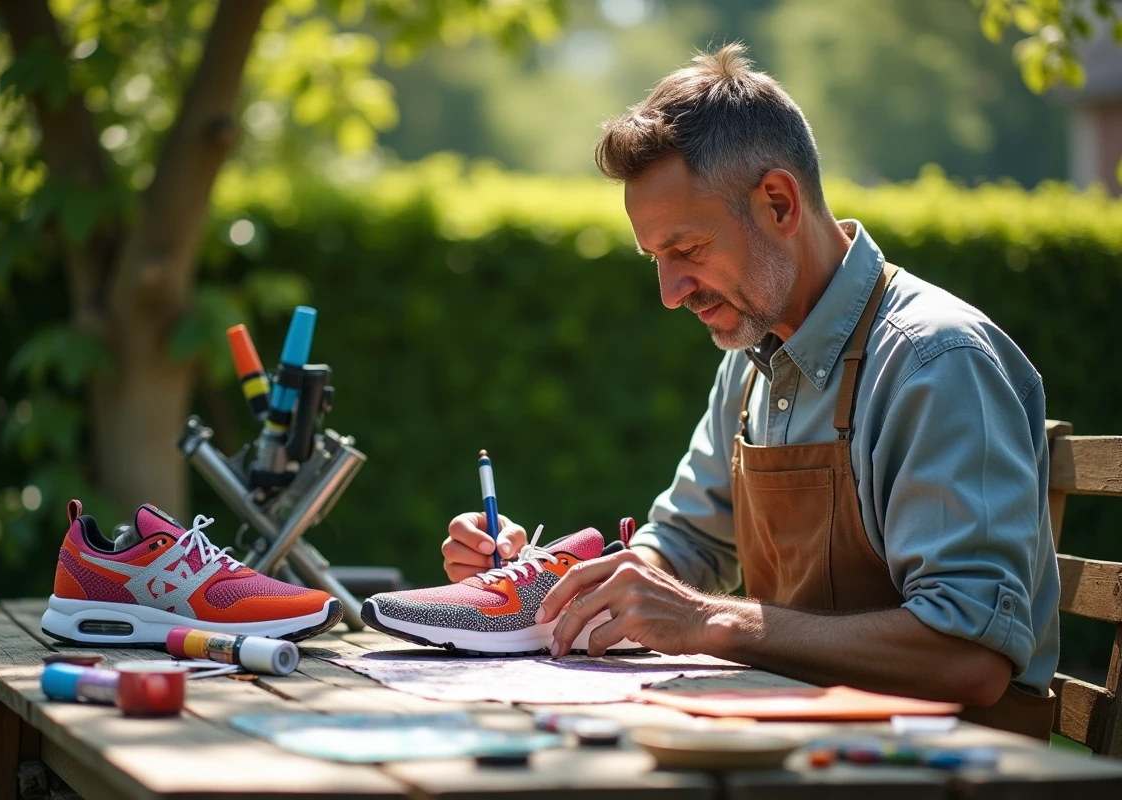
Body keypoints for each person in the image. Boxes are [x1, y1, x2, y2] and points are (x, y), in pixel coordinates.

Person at [442, 43, 1059, 739]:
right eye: (656, 260)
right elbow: (678, 544)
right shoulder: (751, 358)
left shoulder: (936, 363)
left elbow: (970, 658)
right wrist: (552, 583)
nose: (670, 295)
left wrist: (708, 620)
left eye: (688, 250)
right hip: (795, 749)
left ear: (778, 202)